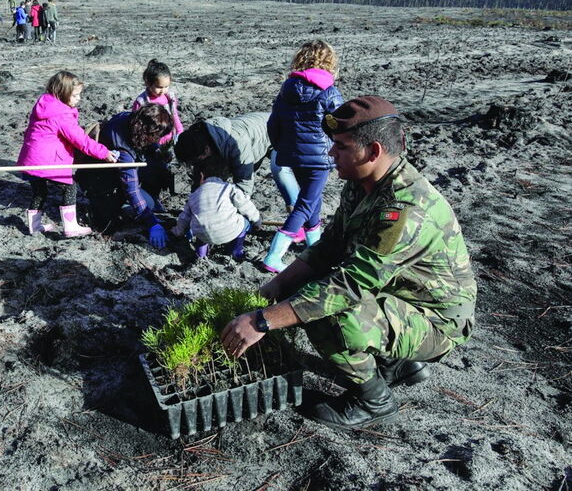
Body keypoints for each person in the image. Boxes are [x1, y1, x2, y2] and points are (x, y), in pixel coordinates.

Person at [221, 96, 477, 431]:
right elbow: (329, 247)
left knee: (330, 313)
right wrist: (276, 286)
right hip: (405, 300)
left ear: (373, 151)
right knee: (305, 292)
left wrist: (262, 322)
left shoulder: (404, 210)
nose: (331, 154)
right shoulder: (364, 184)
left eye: (340, 147)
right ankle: (399, 365)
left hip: (438, 322)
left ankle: (374, 400)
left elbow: (350, 285)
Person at [263, 40, 344, 273]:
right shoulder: (329, 92)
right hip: (319, 159)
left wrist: (282, 146)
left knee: (312, 203)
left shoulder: (286, 90)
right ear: (329, 63)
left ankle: (315, 250)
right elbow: (339, 124)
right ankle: (273, 256)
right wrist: (335, 147)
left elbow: (273, 123)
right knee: (305, 205)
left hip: (293, 156)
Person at [16, 71, 118, 237]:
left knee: (39, 192)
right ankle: (70, 227)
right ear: (63, 93)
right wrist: (103, 152)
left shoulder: (44, 105)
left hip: (31, 159)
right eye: (75, 95)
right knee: (70, 187)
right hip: (48, 161)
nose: (79, 99)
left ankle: (34, 226)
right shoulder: (62, 114)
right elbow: (81, 140)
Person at [75, 105, 173, 246]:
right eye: (156, 136)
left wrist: (158, 153)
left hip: (113, 174)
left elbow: (152, 151)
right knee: (108, 223)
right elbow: (131, 188)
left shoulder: (130, 118)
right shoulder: (122, 149)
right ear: (147, 133)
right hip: (97, 181)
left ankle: (149, 201)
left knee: (155, 172)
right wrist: (152, 224)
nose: (157, 140)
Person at [175, 112, 295, 204]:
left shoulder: (237, 142)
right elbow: (200, 179)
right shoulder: (196, 140)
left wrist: (229, 211)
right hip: (254, 130)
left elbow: (244, 183)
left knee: (280, 171)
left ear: (206, 150)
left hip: (280, 131)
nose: (195, 165)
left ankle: (296, 211)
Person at [170, 156, 263, 260]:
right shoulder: (228, 188)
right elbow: (245, 205)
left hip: (203, 234)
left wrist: (178, 231)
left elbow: (184, 218)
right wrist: (257, 220)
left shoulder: (193, 195)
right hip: (229, 231)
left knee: (202, 223)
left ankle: (201, 255)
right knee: (244, 222)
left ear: (201, 176)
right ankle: (236, 251)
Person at [131, 59, 184, 146]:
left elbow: (174, 115)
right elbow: (135, 124)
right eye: (159, 87)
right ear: (148, 83)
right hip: (150, 142)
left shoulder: (170, 99)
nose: (163, 90)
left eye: (166, 86)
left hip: (169, 139)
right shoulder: (142, 102)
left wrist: (179, 131)